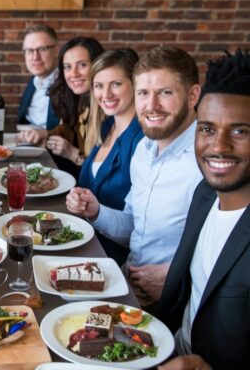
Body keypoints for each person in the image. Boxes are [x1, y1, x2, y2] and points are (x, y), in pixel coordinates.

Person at [66, 46, 204, 307]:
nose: (151, 106)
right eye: (143, 93)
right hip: (128, 284)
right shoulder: (145, 149)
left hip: (175, 304)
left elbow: (229, 250)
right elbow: (134, 226)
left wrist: (176, 275)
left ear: (193, 95)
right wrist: (96, 212)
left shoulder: (205, 160)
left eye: (165, 93)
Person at [156, 49, 250, 370]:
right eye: (207, 128)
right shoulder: (206, 193)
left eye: (240, 131)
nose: (218, 146)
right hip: (166, 347)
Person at [79, 48, 144, 265]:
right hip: (87, 244)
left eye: (116, 84)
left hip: (113, 259)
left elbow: (139, 227)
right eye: (99, 86)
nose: (105, 95)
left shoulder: (142, 140)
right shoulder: (107, 126)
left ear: (135, 84)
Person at [45, 37, 105, 178]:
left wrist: (72, 154)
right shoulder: (78, 98)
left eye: (82, 65)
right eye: (67, 67)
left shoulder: (106, 110)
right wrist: (45, 135)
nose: (73, 74)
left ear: (98, 65)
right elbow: (67, 128)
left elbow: (102, 175)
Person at [17, 25, 61, 145]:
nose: (35, 57)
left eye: (42, 49)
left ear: (56, 50)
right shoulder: (34, 80)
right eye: (30, 51)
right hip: (27, 142)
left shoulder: (70, 83)